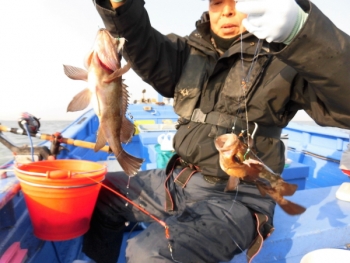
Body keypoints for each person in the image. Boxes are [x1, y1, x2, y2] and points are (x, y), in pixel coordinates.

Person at [81, 0, 350, 262]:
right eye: (217, 2)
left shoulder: (288, 57)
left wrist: (303, 33)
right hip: (176, 181)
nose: (227, 11)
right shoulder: (186, 52)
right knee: (94, 192)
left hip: (238, 195)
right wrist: (120, 5)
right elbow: (139, 40)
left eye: (237, 0)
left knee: (149, 253)